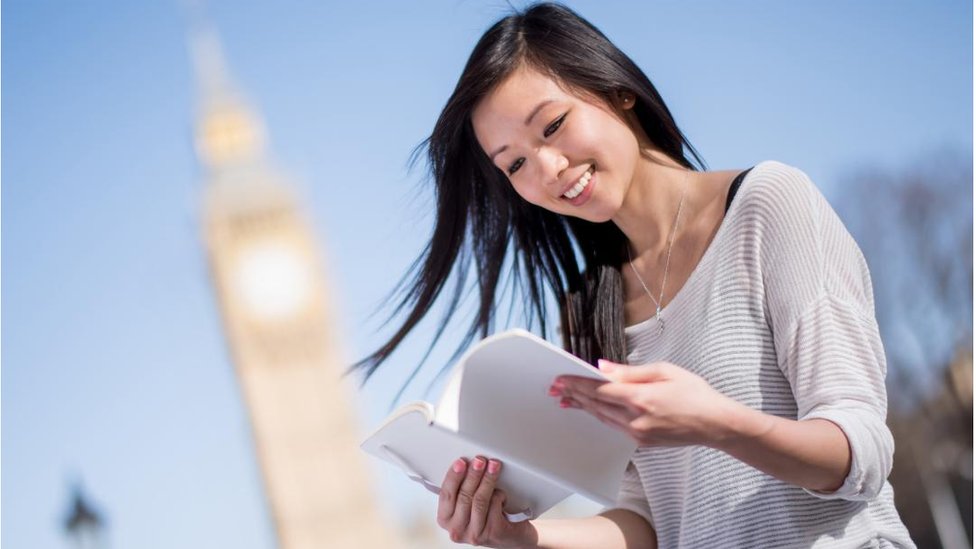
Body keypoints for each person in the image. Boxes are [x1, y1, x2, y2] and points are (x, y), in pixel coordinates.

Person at [353, 3, 916, 548]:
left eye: (552, 125)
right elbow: (647, 520)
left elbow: (860, 453)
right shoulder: (588, 307)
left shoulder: (766, 204)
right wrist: (518, 536)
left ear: (617, 90)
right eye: (516, 164)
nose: (547, 170)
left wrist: (717, 423)